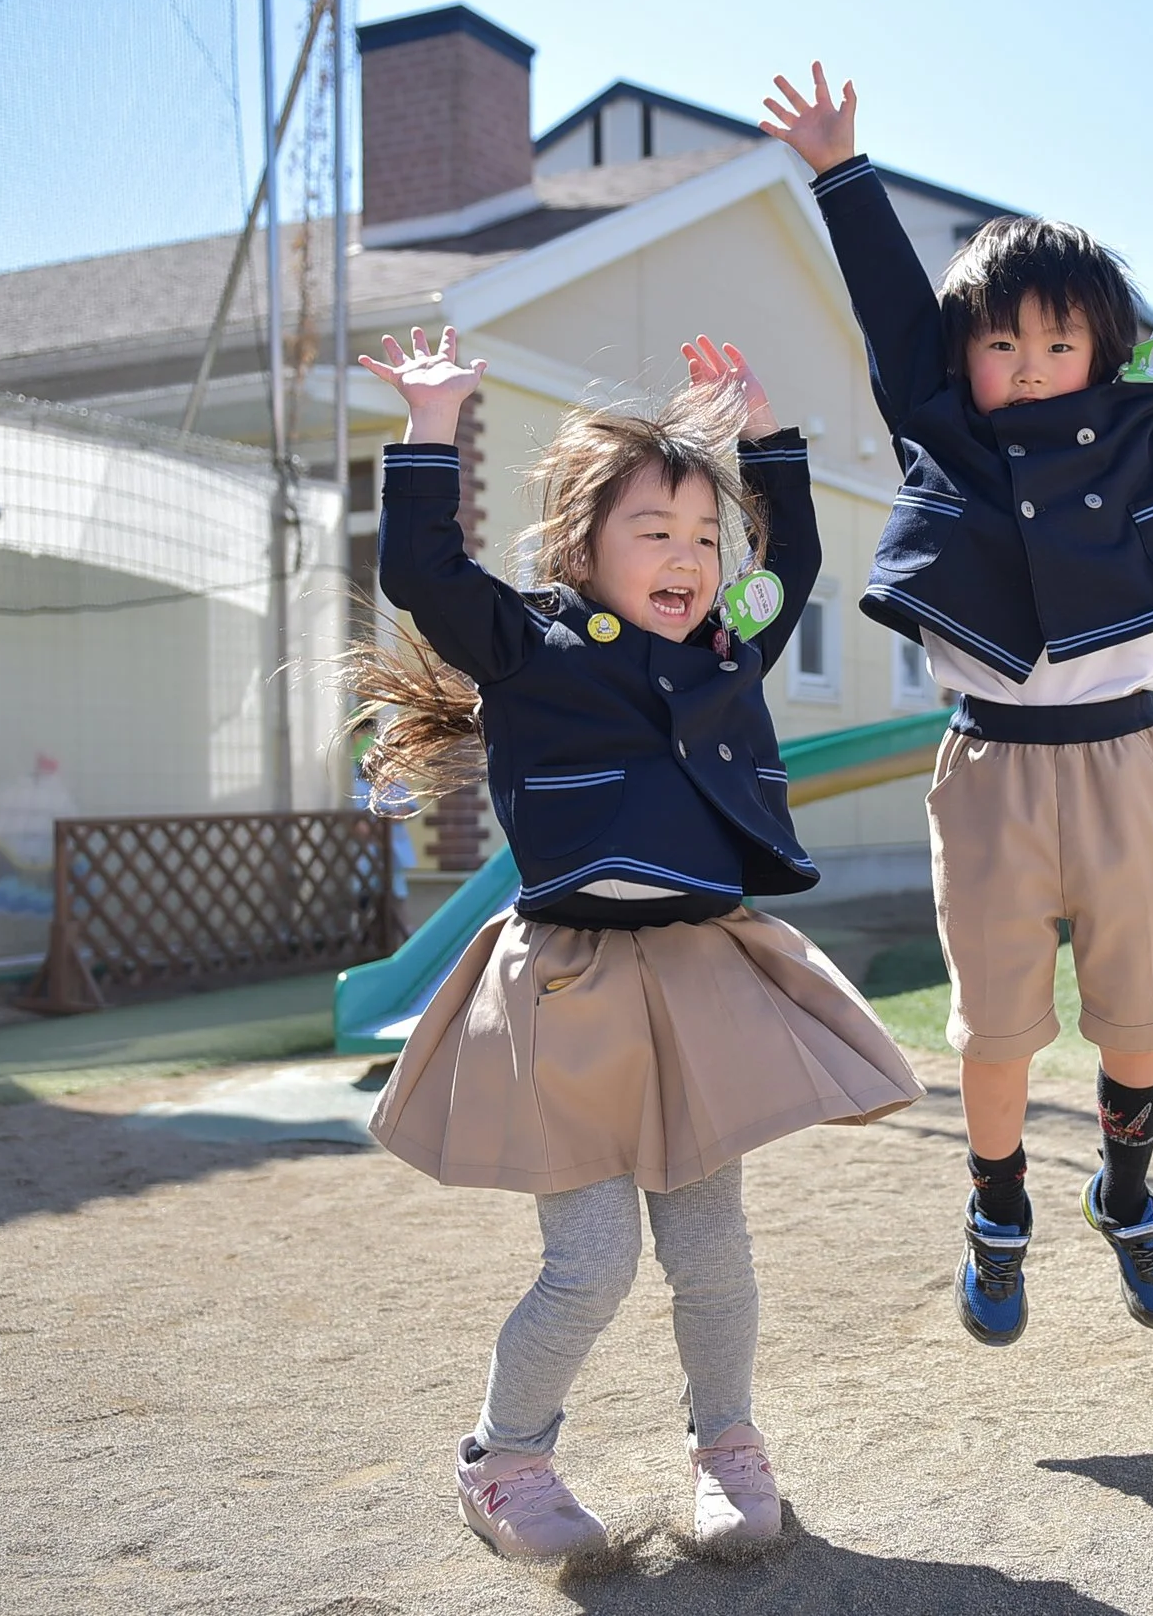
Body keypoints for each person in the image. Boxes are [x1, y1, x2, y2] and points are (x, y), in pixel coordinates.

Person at [759, 63, 1153, 1344]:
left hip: (1129, 765)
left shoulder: (1144, 411)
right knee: (994, 1034)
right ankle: (997, 1217)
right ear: (965, 362)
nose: (1035, 365)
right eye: (1004, 344)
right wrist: (839, 172)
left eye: (1060, 341)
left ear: (1105, 350)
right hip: (990, 769)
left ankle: (1124, 1194)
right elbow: (894, 307)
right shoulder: (936, 423)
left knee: (1141, 1022)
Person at [351, 325, 922, 1557]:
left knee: (710, 1249)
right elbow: (421, 573)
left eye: (704, 536)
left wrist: (765, 438)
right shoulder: (525, 645)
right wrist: (433, 422)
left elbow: (798, 552)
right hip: (567, 987)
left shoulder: (736, 645)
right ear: (582, 547)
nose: (687, 556)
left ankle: (728, 1443)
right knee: (592, 1259)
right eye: (653, 532)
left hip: (697, 974)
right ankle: (503, 1461)